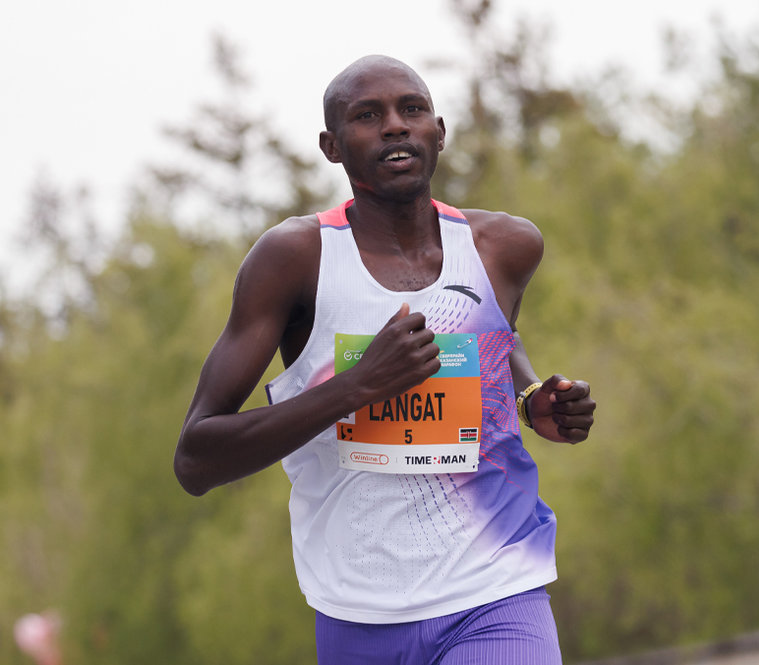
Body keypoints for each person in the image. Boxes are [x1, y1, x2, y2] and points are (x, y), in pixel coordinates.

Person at [174, 55, 596, 664]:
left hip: (497, 585)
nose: (395, 125)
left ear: (439, 132)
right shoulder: (296, 259)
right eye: (367, 116)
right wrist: (357, 386)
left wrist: (531, 398)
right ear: (332, 146)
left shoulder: (503, 246)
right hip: (356, 610)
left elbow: (494, 339)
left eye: (412, 109)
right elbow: (196, 459)